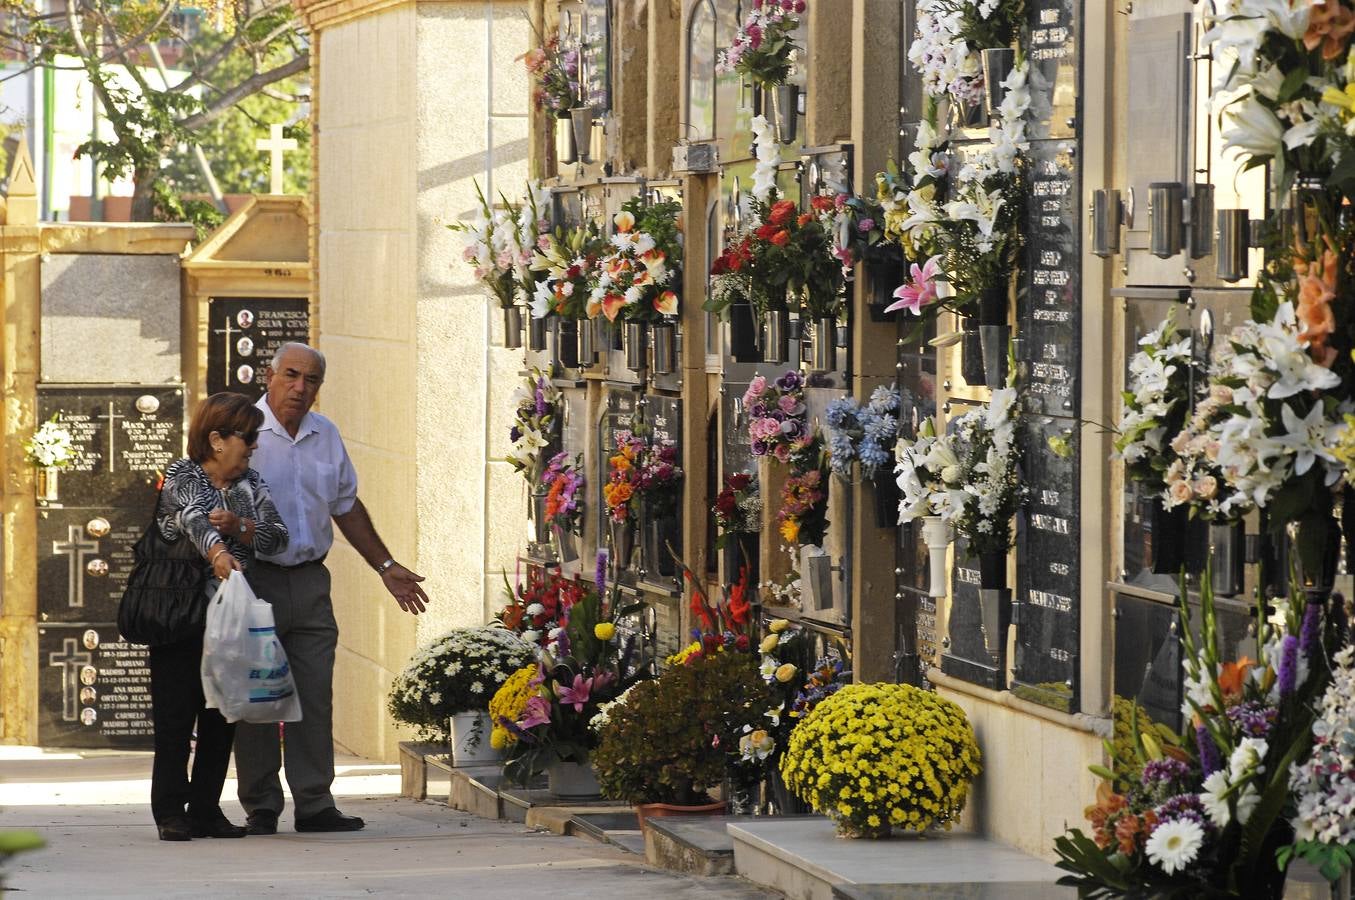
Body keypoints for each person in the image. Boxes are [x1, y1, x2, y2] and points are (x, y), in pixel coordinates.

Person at [235, 342, 428, 835]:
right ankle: (260, 804)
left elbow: (345, 505)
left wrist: (384, 564)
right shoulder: (244, 431)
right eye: (292, 376)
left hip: (311, 580)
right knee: (261, 697)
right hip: (254, 579)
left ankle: (315, 802)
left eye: (312, 380)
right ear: (269, 375)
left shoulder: (326, 435)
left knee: (314, 693)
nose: (301, 388)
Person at [151, 392, 289, 842]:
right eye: (245, 437)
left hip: (230, 620)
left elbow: (278, 537)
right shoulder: (182, 474)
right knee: (176, 717)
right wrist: (217, 549)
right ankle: (171, 812)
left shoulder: (252, 484)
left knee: (220, 716)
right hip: (181, 613)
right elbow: (192, 517)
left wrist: (241, 527)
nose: (252, 447)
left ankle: (206, 809)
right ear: (215, 439)